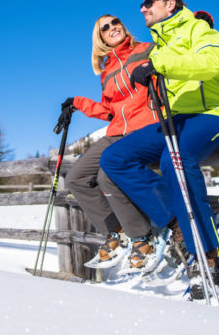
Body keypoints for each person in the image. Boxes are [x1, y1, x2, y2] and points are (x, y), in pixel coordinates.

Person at [99, 0, 219, 298]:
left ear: (170, 3)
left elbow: (209, 65)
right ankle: (176, 220)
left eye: (149, 2)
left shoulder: (200, 29)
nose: (143, 8)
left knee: (174, 159)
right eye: (142, 4)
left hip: (213, 113)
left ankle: (207, 252)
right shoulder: (159, 44)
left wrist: (157, 66)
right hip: (176, 119)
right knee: (115, 159)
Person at [59, 14, 171, 271]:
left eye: (115, 22)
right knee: (76, 178)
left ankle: (141, 236)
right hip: (117, 132)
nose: (112, 28)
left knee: (107, 174)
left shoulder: (147, 50)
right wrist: (78, 102)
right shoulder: (107, 71)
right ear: (100, 39)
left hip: (147, 127)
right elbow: (109, 111)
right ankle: (116, 230)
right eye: (104, 28)